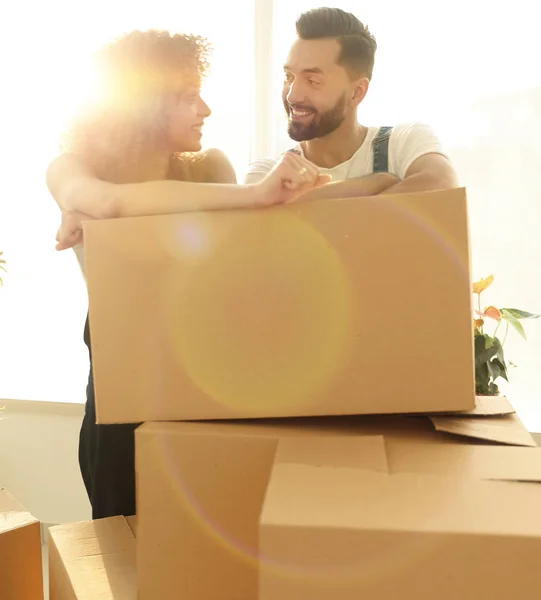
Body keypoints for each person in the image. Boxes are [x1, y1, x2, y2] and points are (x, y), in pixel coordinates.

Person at [47, 29, 325, 520]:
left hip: (206, 392)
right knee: (126, 561)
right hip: (119, 405)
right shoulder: (72, 168)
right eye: (189, 97)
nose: (206, 110)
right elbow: (113, 201)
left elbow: (242, 273)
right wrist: (255, 196)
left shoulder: (211, 170)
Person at [244, 7, 459, 196]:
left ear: (357, 92)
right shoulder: (266, 173)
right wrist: (372, 184)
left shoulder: (403, 144)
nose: (292, 95)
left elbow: (442, 188)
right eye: (289, 77)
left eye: (312, 81)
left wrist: (298, 203)